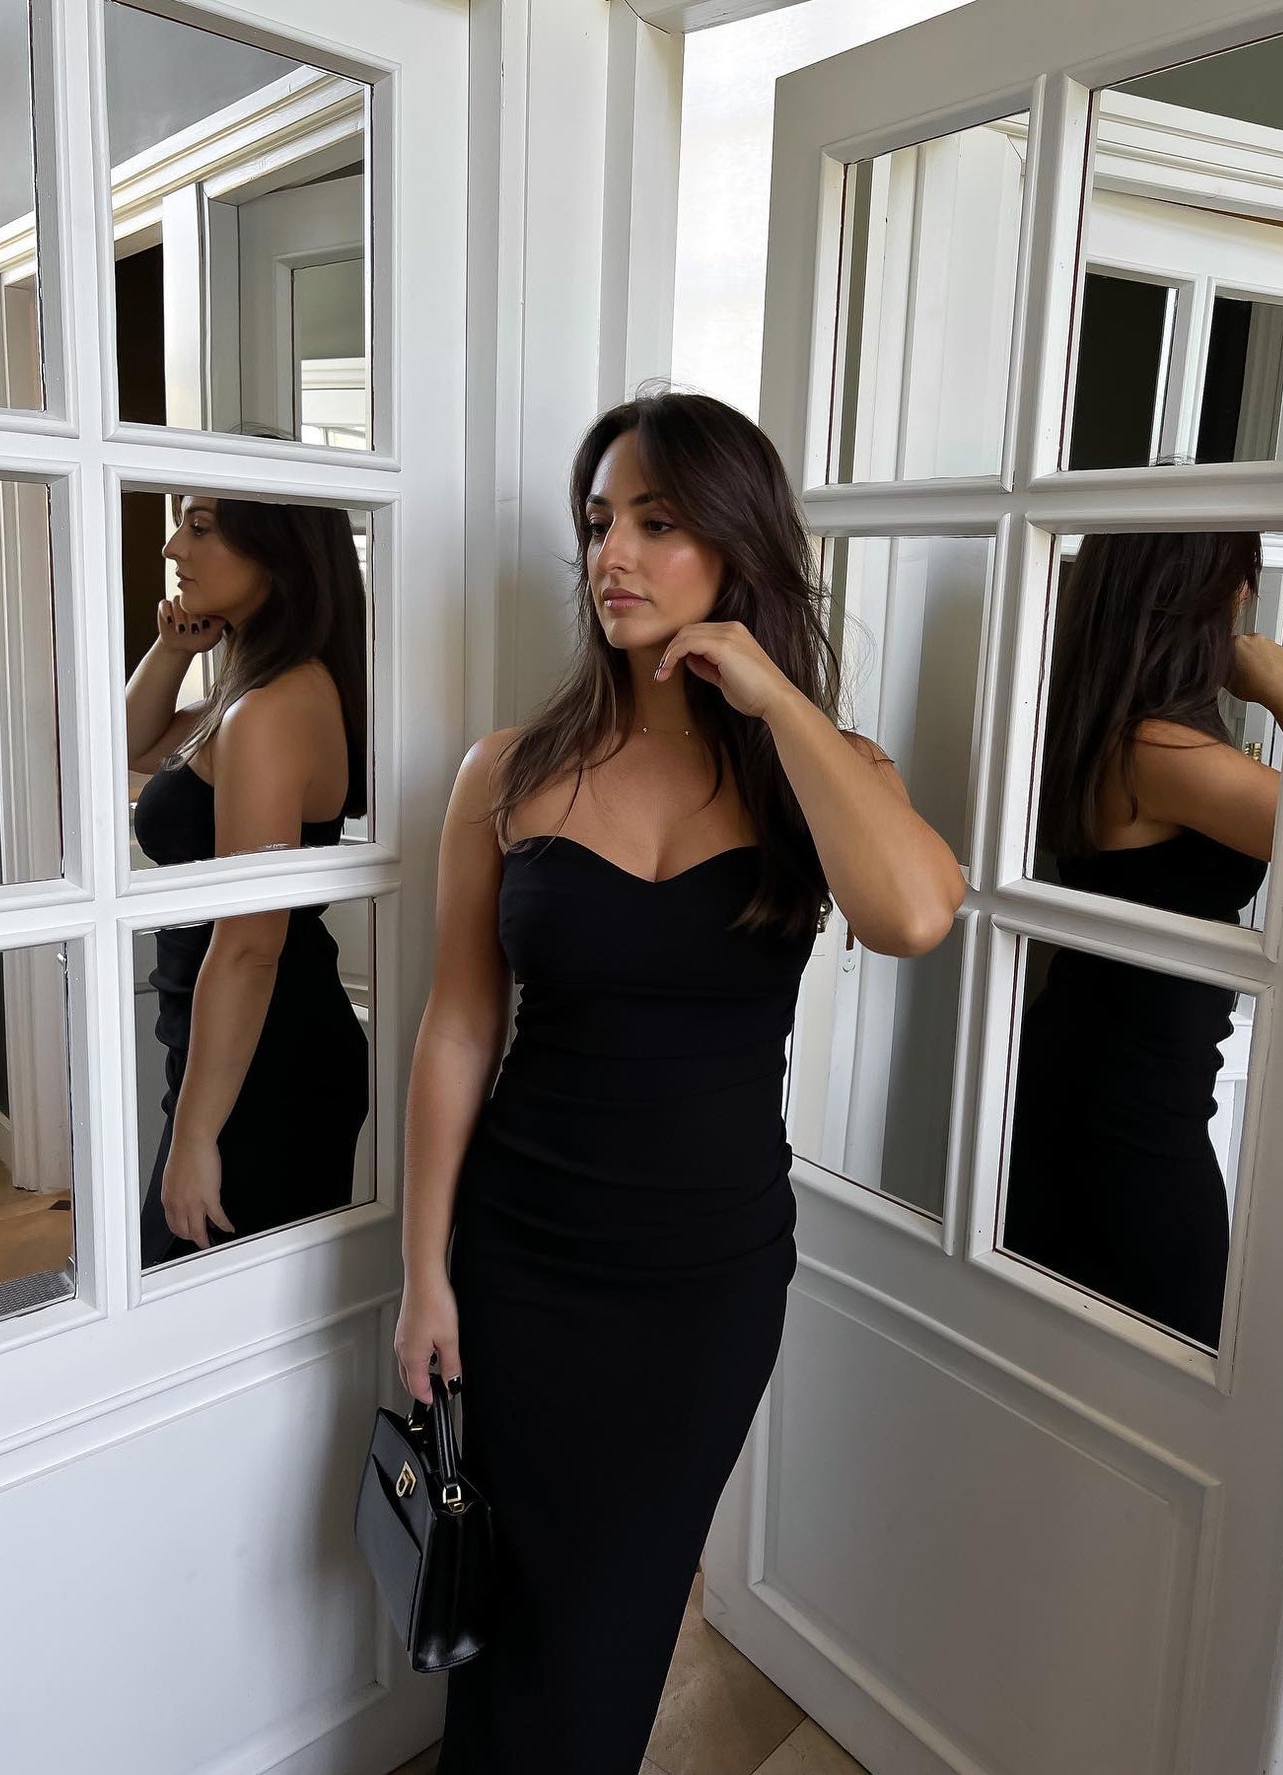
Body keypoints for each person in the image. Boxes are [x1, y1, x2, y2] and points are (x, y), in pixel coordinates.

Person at [394, 391, 965, 1773]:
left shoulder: (827, 773)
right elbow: (458, 1025)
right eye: (599, 521)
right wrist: (423, 1276)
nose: (612, 554)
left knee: (618, 1615)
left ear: (737, 544)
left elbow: (912, 914)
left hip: (705, 1284)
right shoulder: (508, 771)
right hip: (523, 1262)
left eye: (657, 522)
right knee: (511, 1609)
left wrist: (772, 697)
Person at [1004, 530, 1283, 1347]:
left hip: (1100, 1079)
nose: (1246, 601)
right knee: (1179, 1359)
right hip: (1131, 1113)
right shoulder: (1161, 751)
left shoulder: (1105, 727)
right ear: (1204, 596)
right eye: (1239, 580)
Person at [127, 495, 370, 1265]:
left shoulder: (269, 710)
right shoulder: (246, 692)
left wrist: (196, 1135)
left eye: (200, 527)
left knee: (185, 1287)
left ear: (278, 550)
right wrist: (173, 647)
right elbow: (128, 744)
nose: (173, 547)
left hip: (269, 1064)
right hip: (235, 1048)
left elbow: (250, 945)